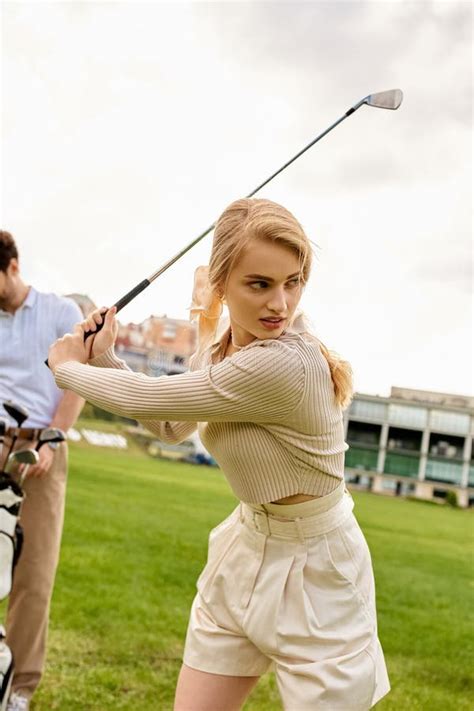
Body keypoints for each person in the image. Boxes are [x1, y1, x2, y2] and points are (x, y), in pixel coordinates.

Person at [47, 198, 390, 710]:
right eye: (260, 284)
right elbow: (170, 424)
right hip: (245, 550)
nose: (281, 303)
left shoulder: (284, 364)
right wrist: (105, 356)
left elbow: (147, 399)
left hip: (321, 572)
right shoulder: (228, 347)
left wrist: (66, 366)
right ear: (223, 283)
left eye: (293, 282)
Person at [0, 230, 85, 711]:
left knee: (32, 573)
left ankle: (19, 688)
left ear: (12, 266)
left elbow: (76, 383)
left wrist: (54, 435)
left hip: (40, 447)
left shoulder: (59, 313)